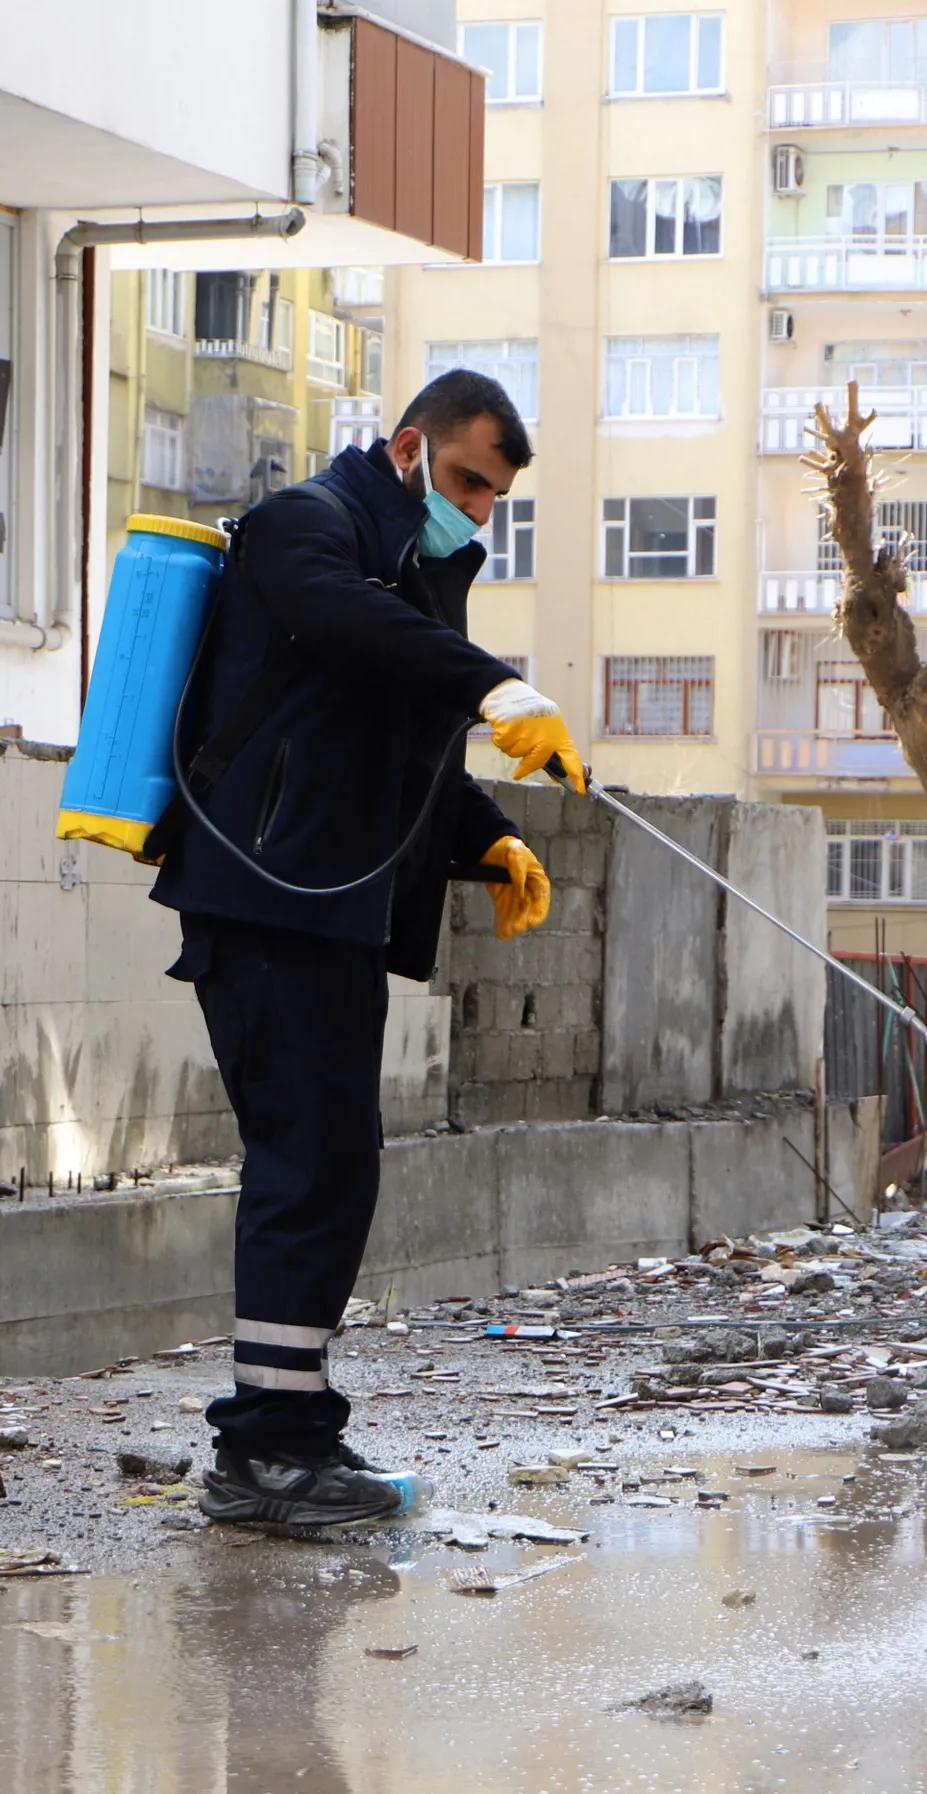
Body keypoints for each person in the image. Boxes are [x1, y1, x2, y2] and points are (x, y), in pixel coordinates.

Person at [152, 369, 584, 1531]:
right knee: (305, 1168)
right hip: (265, 902)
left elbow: (405, 743)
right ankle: (266, 1456)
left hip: (326, 913)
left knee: (332, 1168)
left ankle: (288, 1435)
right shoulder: (309, 526)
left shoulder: (413, 569)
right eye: (466, 483)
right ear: (407, 449)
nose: (478, 514)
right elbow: (348, 623)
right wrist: (491, 681)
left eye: (495, 500)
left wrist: (486, 839)